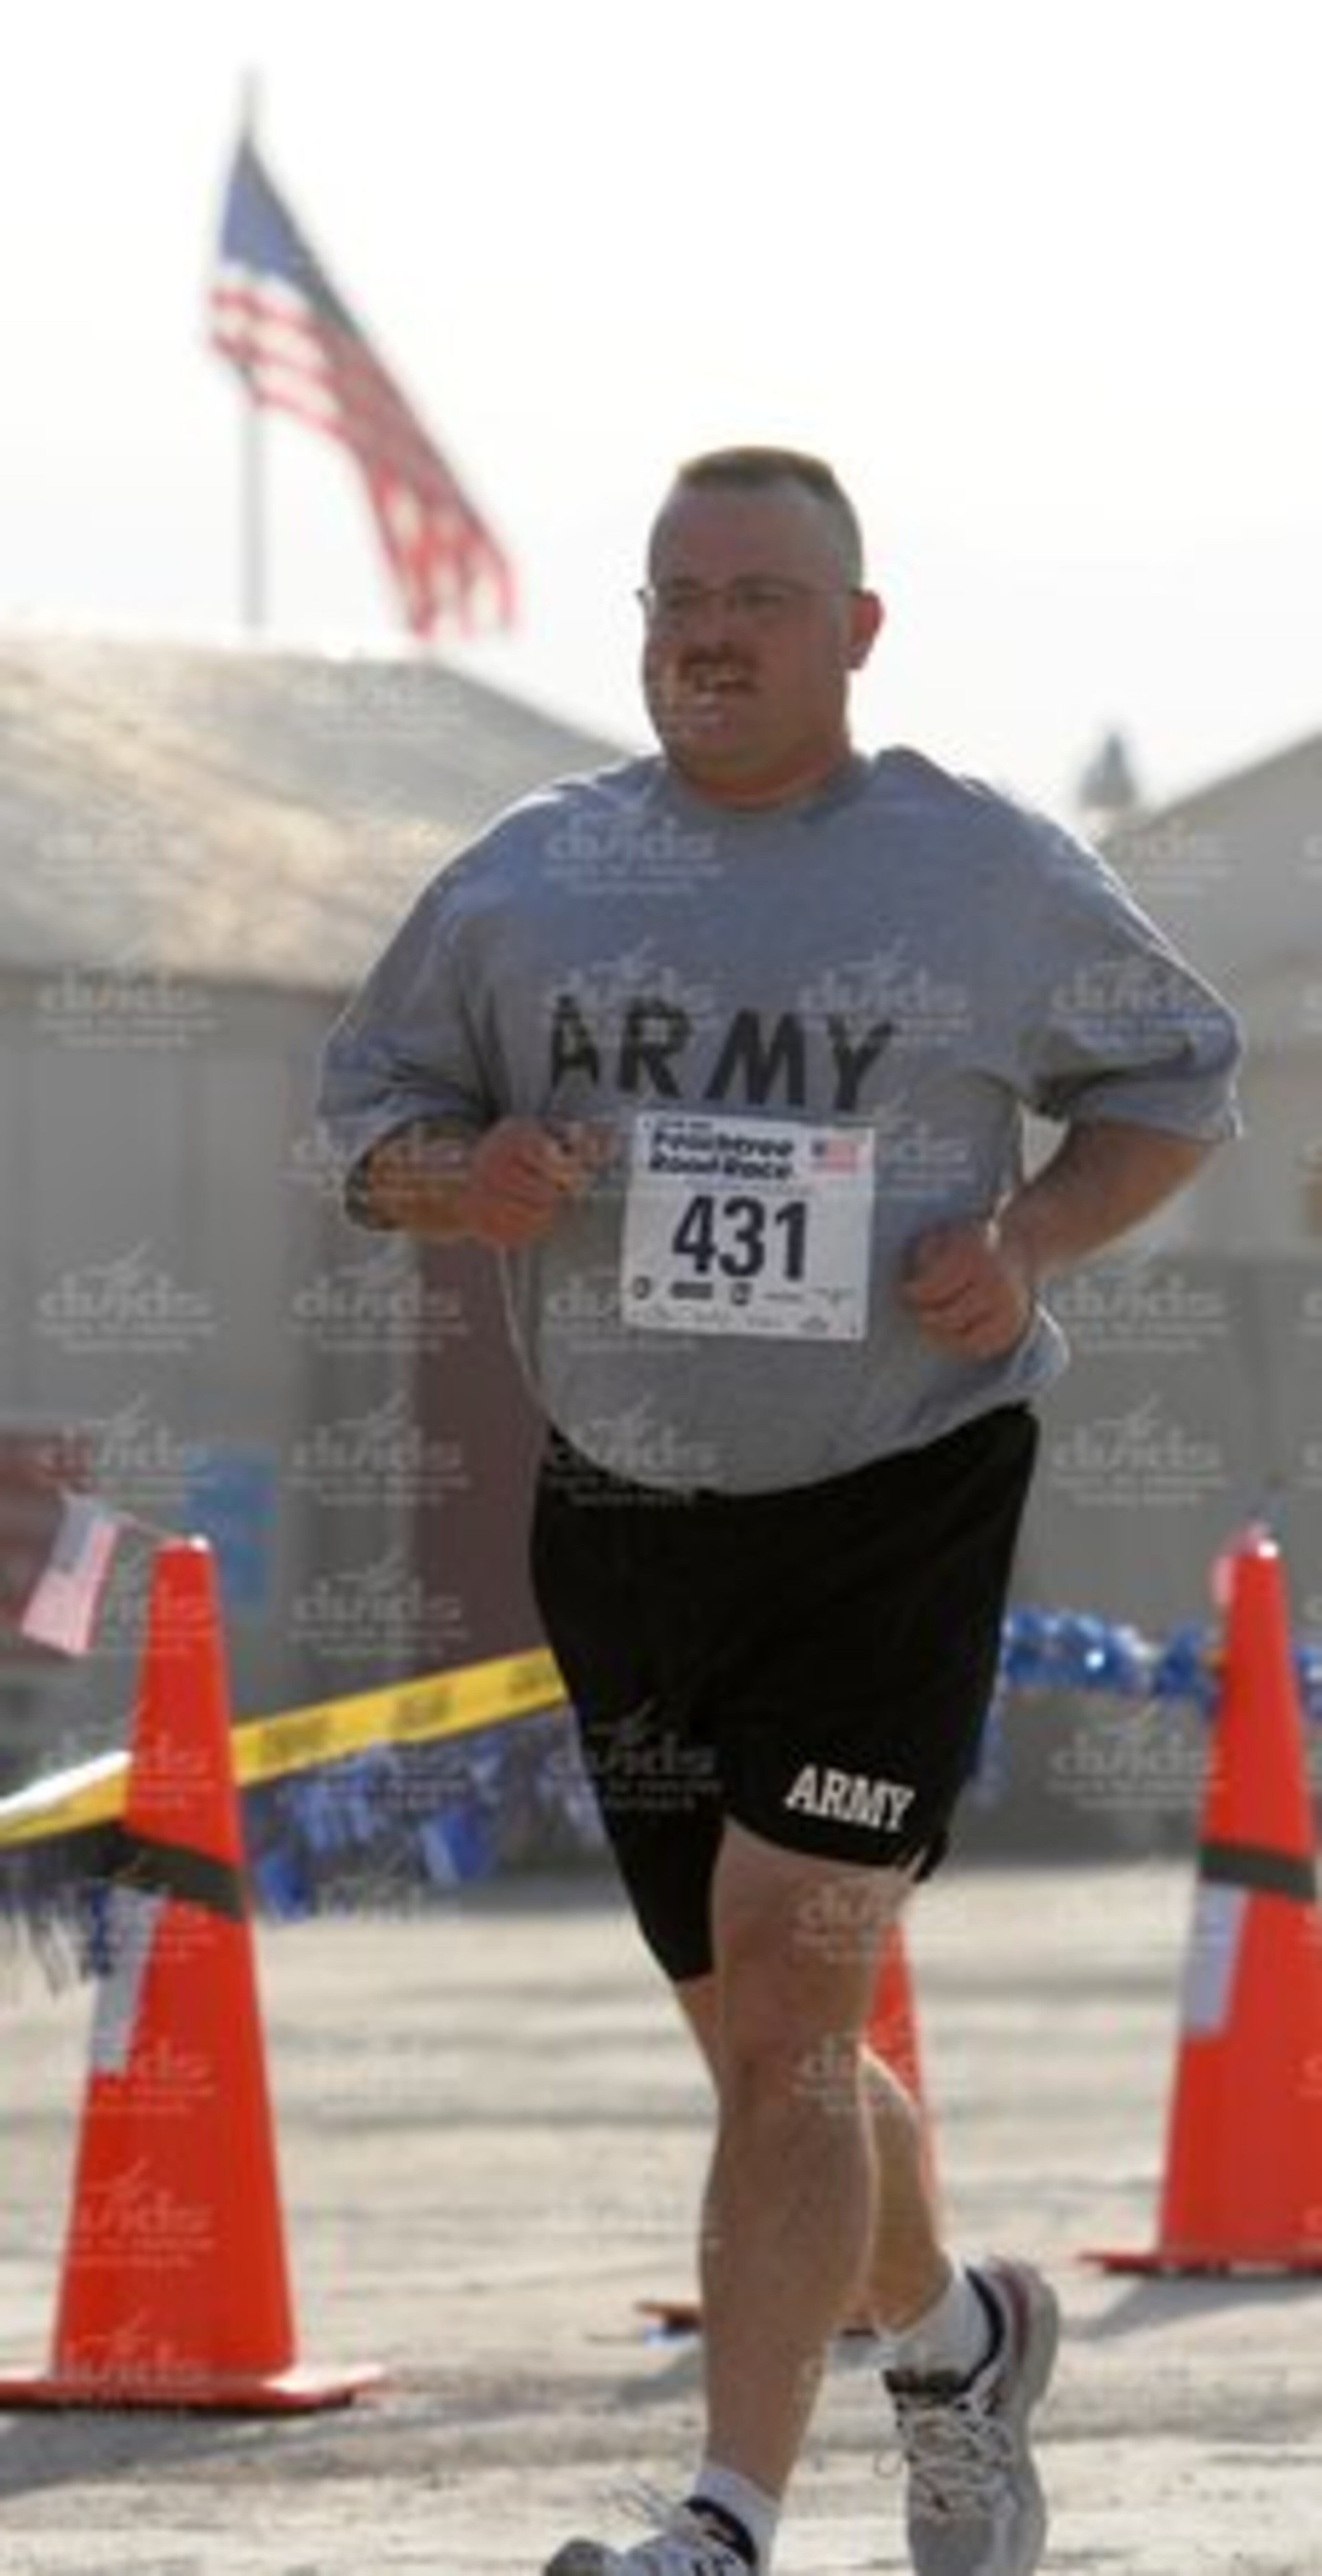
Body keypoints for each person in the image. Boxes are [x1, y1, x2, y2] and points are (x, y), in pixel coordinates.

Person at [317, 446, 1241, 2576]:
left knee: (796, 2004)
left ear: (856, 629)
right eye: (672, 600)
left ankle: (724, 2520)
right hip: (625, 1505)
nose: (705, 636)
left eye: (752, 598)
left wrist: (1028, 1236)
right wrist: (458, 1180)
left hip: (896, 1489)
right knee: (763, 2044)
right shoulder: (529, 878)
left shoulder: (975, 870)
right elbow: (368, 1122)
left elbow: (1173, 1081)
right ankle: (956, 2332)